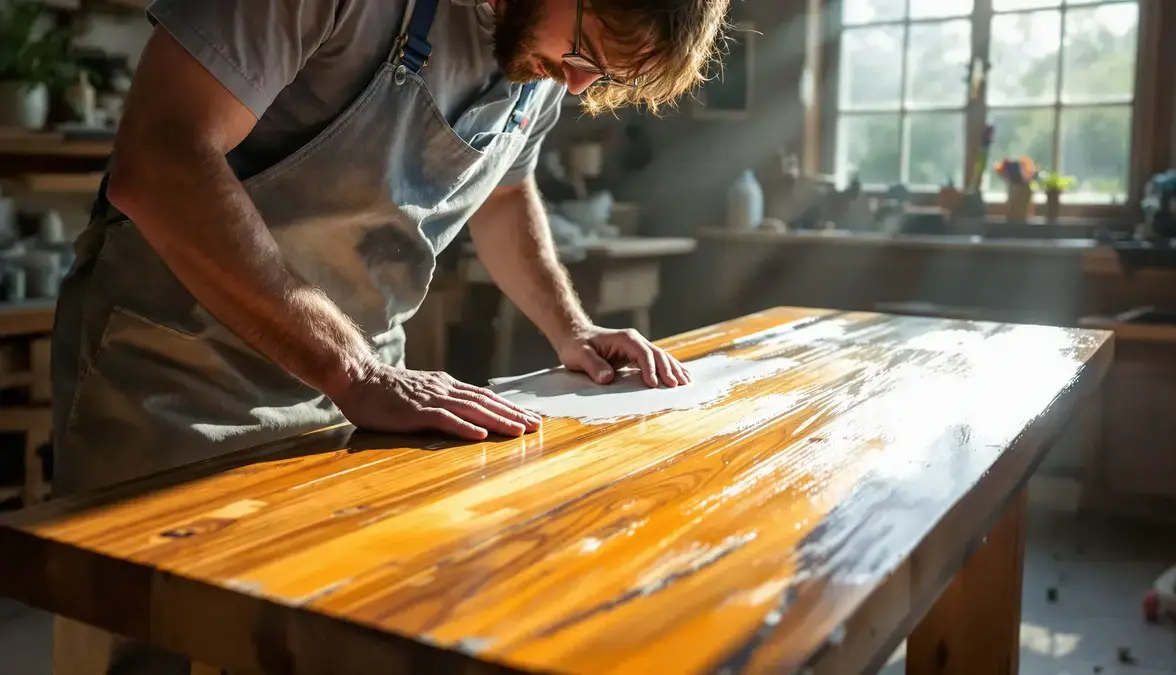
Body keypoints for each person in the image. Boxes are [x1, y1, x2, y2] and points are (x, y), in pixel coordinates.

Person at [51, 0, 731, 501]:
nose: (579, 83)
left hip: (355, 403)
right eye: (586, 48)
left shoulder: (540, 57)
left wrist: (571, 327)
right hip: (173, 385)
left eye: (607, 76)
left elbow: (502, 193)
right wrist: (357, 372)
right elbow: (159, 159)